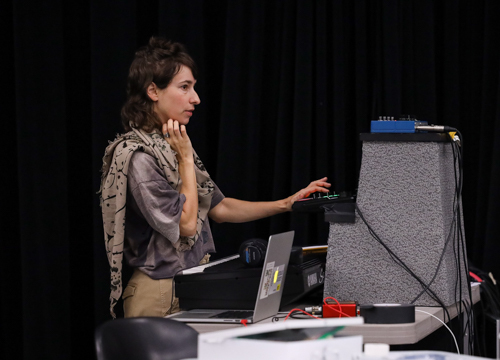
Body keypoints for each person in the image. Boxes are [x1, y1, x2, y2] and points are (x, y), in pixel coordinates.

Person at [98, 37, 330, 318]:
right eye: (184, 87)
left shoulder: (171, 145)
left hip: (191, 282)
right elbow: (185, 224)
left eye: (193, 87)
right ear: (153, 91)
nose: (195, 98)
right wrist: (184, 158)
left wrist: (286, 203)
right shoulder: (138, 157)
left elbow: (219, 208)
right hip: (158, 293)